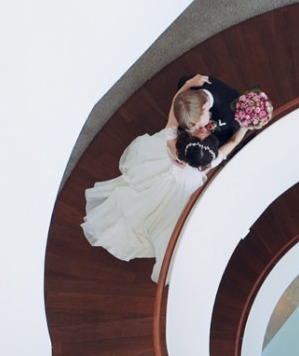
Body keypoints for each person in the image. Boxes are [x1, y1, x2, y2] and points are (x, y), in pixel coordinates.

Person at [81, 74, 248, 283]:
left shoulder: (173, 143)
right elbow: (232, 142)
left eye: (199, 130)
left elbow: (174, 109)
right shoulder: (207, 163)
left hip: (167, 178)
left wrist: (187, 85)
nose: (202, 129)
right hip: (178, 186)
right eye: (201, 130)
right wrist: (246, 124)